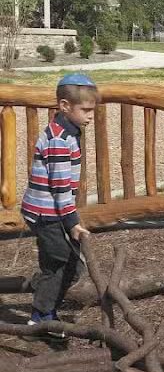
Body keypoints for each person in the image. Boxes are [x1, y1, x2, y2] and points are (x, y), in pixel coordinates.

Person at [21, 73, 96, 335]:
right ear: (64, 106)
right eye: (85, 110)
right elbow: (60, 189)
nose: (90, 116)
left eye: (92, 110)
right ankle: (42, 315)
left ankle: (44, 301)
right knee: (70, 266)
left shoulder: (64, 131)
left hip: (45, 210)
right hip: (46, 213)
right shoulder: (60, 141)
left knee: (53, 264)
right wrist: (73, 223)